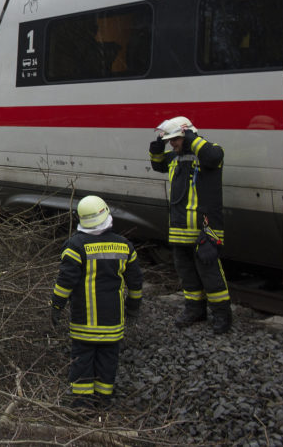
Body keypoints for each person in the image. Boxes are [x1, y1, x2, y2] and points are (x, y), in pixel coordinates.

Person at [51, 195, 143, 408]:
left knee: (82, 360)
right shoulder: (124, 246)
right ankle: (103, 399)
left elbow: (65, 281)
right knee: (108, 361)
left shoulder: (75, 245)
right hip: (113, 323)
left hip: (85, 322)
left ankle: (82, 404)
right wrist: (133, 307)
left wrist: (56, 305)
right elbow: (136, 282)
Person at [149, 116, 231, 333]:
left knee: (210, 274)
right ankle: (195, 310)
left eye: (175, 139)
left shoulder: (210, 152)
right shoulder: (175, 158)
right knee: (187, 274)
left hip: (204, 229)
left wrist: (191, 137)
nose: (172, 144)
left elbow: (212, 157)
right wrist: (157, 146)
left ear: (187, 135)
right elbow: (157, 164)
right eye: (170, 141)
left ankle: (222, 315)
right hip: (179, 229)